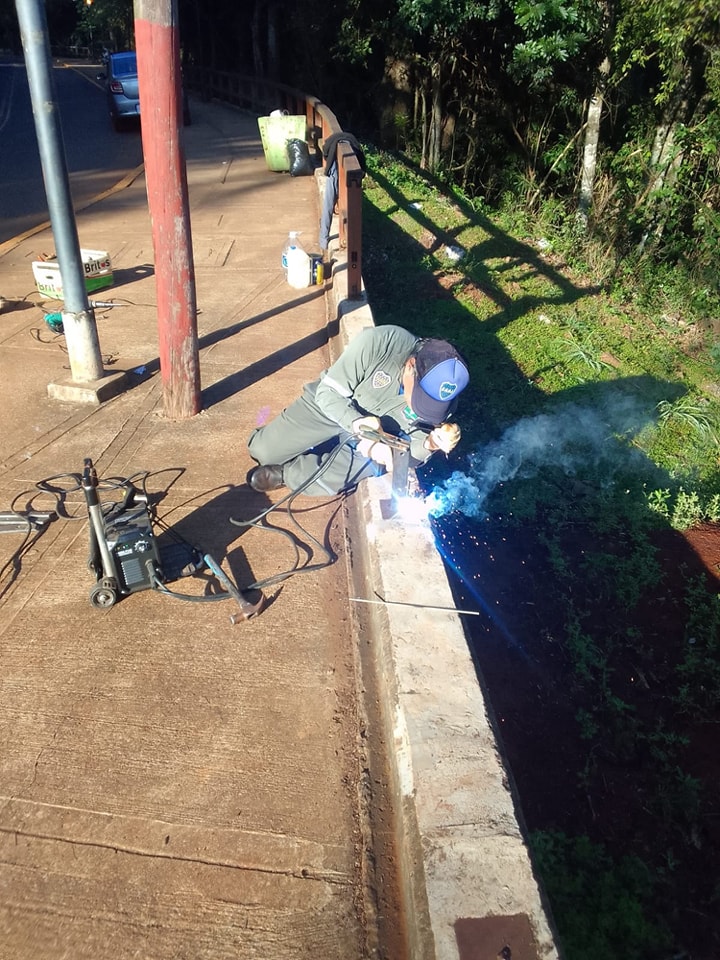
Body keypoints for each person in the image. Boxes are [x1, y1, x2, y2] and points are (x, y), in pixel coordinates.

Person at [247, 325, 469, 496]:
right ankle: (286, 441)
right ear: (411, 366)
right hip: (331, 407)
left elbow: (408, 456)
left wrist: (429, 445)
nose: (420, 409)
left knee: (336, 477)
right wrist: (357, 423)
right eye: (421, 398)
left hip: (376, 440)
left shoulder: (441, 408)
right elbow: (327, 394)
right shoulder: (382, 342)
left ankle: (287, 475)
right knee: (263, 452)